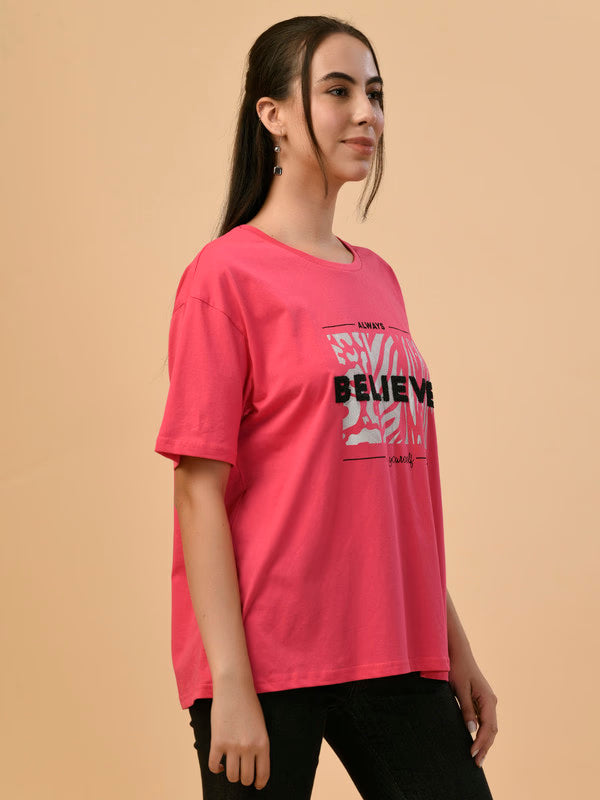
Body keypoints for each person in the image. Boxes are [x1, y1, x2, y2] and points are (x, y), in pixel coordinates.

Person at [154, 14, 498, 799]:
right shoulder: (224, 277)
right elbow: (198, 491)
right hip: (268, 660)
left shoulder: (377, 277)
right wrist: (228, 683)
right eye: (338, 91)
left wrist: (454, 650)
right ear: (273, 114)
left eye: (375, 94)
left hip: (396, 650)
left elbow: (387, 491)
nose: (366, 113)